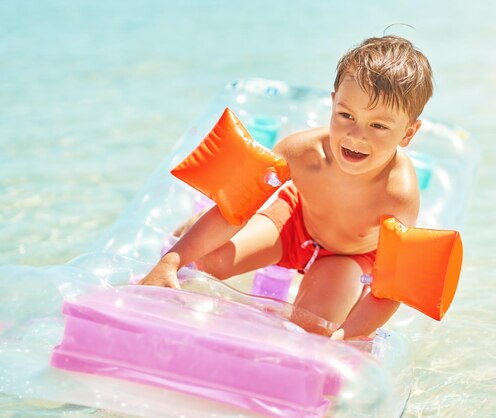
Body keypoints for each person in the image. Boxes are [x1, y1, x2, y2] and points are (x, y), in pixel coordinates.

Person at [139, 35, 434, 339]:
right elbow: (234, 210)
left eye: (379, 126)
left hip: (348, 257)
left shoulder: (399, 194)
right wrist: (172, 260)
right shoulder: (301, 153)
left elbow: (390, 288)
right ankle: (192, 227)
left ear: (408, 133)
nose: (356, 135)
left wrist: (350, 334)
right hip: (293, 224)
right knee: (207, 262)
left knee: (312, 328)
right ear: (333, 103)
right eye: (346, 115)